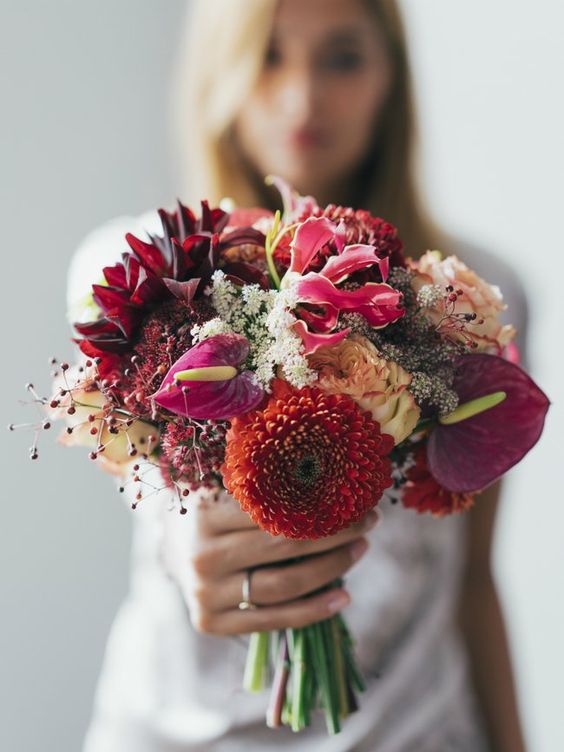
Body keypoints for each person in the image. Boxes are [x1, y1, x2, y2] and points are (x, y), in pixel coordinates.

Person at [70, 1, 529, 750]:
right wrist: (196, 559)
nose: (302, 96)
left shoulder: (477, 296)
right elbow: (156, 501)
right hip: (181, 730)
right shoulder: (129, 273)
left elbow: (472, 581)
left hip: (415, 729)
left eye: (342, 57)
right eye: (268, 56)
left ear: (392, 77)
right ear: (218, 75)